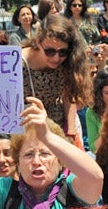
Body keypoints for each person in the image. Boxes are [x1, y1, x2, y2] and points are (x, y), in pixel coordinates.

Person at [22, 13, 92, 144]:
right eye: (49, 51)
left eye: (62, 52)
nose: (56, 58)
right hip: (27, 133)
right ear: (38, 42)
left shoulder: (68, 62)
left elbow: (69, 96)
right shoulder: (17, 63)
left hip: (57, 128)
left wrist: (70, 133)